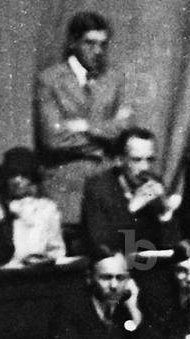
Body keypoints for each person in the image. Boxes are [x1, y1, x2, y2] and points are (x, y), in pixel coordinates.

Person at [35, 10, 134, 224]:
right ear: (73, 42)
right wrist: (102, 140)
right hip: (66, 188)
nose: (98, 51)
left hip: (105, 185)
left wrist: (84, 126)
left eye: (103, 44)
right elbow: (53, 139)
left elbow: (124, 129)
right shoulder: (50, 80)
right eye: (90, 43)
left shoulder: (114, 79)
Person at [46, 247, 155, 339]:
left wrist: (134, 311)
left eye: (120, 278)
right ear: (89, 278)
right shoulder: (70, 306)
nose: (114, 286)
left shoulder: (129, 304)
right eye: (106, 278)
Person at [81, 127, 182, 253]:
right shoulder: (98, 187)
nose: (145, 167)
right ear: (119, 160)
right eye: (136, 160)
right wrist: (130, 209)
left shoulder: (154, 183)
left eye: (150, 159)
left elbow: (171, 245)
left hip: (149, 264)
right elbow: (101, 245)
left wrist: (165, 213)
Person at [0, 147, 65, 263]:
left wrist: (46, 259)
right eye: (12, 175)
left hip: (38, 273)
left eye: (23, 175)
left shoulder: (47, 209)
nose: (17, 180)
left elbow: (57, 250)